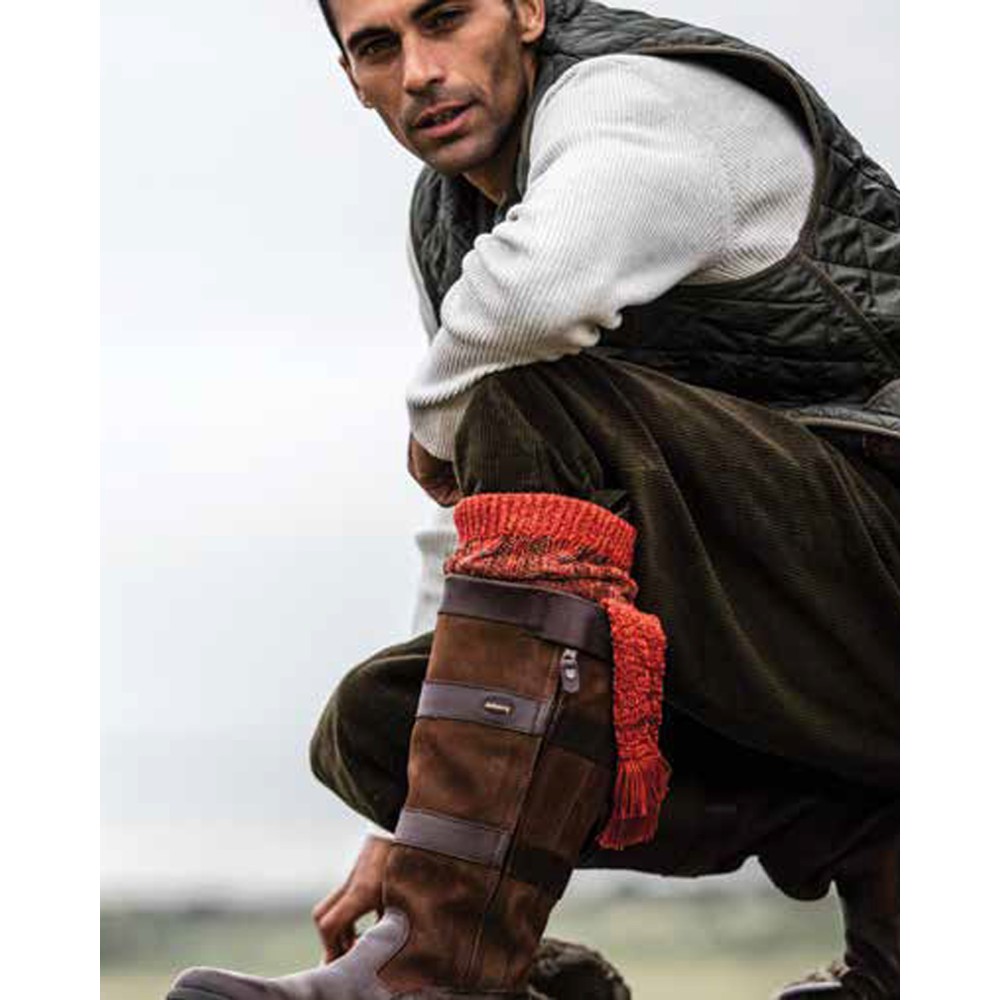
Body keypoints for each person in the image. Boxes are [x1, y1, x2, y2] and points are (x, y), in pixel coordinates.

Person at [168, 1, 899, 998]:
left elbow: (531, 307)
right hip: (777, 632)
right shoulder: (448, 218)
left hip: (902, 558)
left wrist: (435, 420)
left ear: (525, 9)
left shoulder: (640, 96)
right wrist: (412, 838)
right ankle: (895, 891)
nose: (421, 71)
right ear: (351, 77)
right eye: (379, 47)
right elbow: (475, 513)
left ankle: (437, 976)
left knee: (524, 393)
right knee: (382, 719)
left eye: (446, 18)